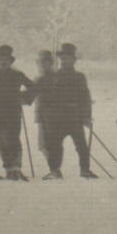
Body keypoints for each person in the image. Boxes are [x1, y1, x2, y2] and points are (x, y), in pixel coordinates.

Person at [38, 43, 94, 179]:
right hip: (57, 118)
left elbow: (85, 97)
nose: (64, 61)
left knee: (81, 145)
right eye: (62, 59)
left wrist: (87, 116)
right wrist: (46, 114)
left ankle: (85, 170)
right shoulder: (54, 76)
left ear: (74, 60)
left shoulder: (80, 77)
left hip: (75, 117)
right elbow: (46, 96)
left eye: (68, 58)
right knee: (55, 146)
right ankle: (55, 171)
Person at [0, 45, 35, 180]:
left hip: (13, 112)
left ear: (11, 61)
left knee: (13, 139)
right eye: (1, 59)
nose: (4, 62)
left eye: (7, 59)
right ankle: (9, 168)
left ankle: (16, 167)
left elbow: (33, 87)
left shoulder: (18, 75)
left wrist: (24, 97)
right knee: (2, 140)